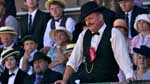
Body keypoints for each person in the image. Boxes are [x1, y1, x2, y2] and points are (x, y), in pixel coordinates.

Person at [55, 2, 135, 83]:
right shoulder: (83, 35)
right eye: (86, 20)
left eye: (90, 18)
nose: (88, 22)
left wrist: (130, 76)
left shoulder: (114, 33)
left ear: (100, 17)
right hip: (87, 81)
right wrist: (64, 80)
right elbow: (73, 61)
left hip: (108, 81)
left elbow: (123, 58)